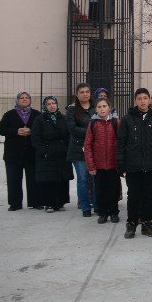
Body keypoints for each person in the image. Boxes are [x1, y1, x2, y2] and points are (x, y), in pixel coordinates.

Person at [117, 88, 152, 239]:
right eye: (139, 98)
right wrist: (121, 165)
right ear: (135, 101)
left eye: (145, 98)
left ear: (149, 100)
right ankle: (131, 224)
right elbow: (121, 143)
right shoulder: (127, 119)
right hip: (133, 165)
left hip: (150, 165)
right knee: (133, 195)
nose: (143, 101)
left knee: (149, 196)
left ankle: (146, 224)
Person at [0, 92, 41, 210]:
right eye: (21, 98)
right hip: (13, 154)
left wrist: (31, 131)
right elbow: (0, 129)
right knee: (13, 179)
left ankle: (35, 202)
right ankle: (15, 203)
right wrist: (16, 131)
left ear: (30, 100)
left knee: (34, 179)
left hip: (32, 153)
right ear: (17, 100)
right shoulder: (9, 114)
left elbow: (43, 129)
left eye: (27, 98)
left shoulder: (37, 114)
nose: (24, 99)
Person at [31, 96, 73, 213]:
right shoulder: (39, 119)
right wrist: (43, 150)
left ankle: (60, 203)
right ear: (45, 106)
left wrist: (67, 148)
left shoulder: (63, 118)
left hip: (61, 153)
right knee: (48, 179)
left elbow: (69, 134)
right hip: (47, 153)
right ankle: (48, 203)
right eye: (49, 104)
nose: (52, 106)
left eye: (53, 103)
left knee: (61, 178)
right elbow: (35, 137)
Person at [83, 97, 121, 223]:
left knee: (113, 190)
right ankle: (102, 213)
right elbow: (88, 145)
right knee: (100, 190)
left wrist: (121, 163)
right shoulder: (93, 124)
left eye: (104, 106)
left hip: (113, 164)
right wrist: (91, 165)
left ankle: (114, 212)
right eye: (99, 107)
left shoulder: (116, 122)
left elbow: (122, 143)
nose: (102, 109)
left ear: (109, 108)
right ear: (96, 109)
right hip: (98, 165)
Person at [66, 84, 96, 217]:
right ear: (77, 95)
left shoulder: (96, 108)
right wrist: (91, 132)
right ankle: (85, 207)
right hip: (78, 150)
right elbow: (72, 128)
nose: (85, 94)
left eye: (87, 91)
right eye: (82, 92)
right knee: (83, 179)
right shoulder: (71, 110)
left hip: (95, 149)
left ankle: (97, 205)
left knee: (95, 178)